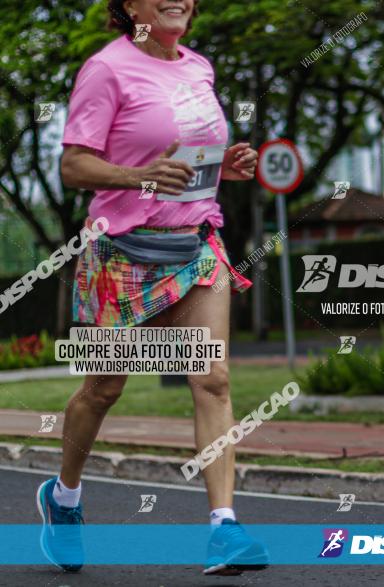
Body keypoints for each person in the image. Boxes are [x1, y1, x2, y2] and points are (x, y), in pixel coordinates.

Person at [35, 0, 268, 576]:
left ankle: (224, 529)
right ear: (129, 6)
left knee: (212, 379)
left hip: (194, 245)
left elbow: (190, 159)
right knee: (103, 390)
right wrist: (138, 175)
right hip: (122, 252)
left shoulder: (199, 68)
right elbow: (74, 166)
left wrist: (227, 166)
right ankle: (63, 497)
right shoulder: (106, 68)